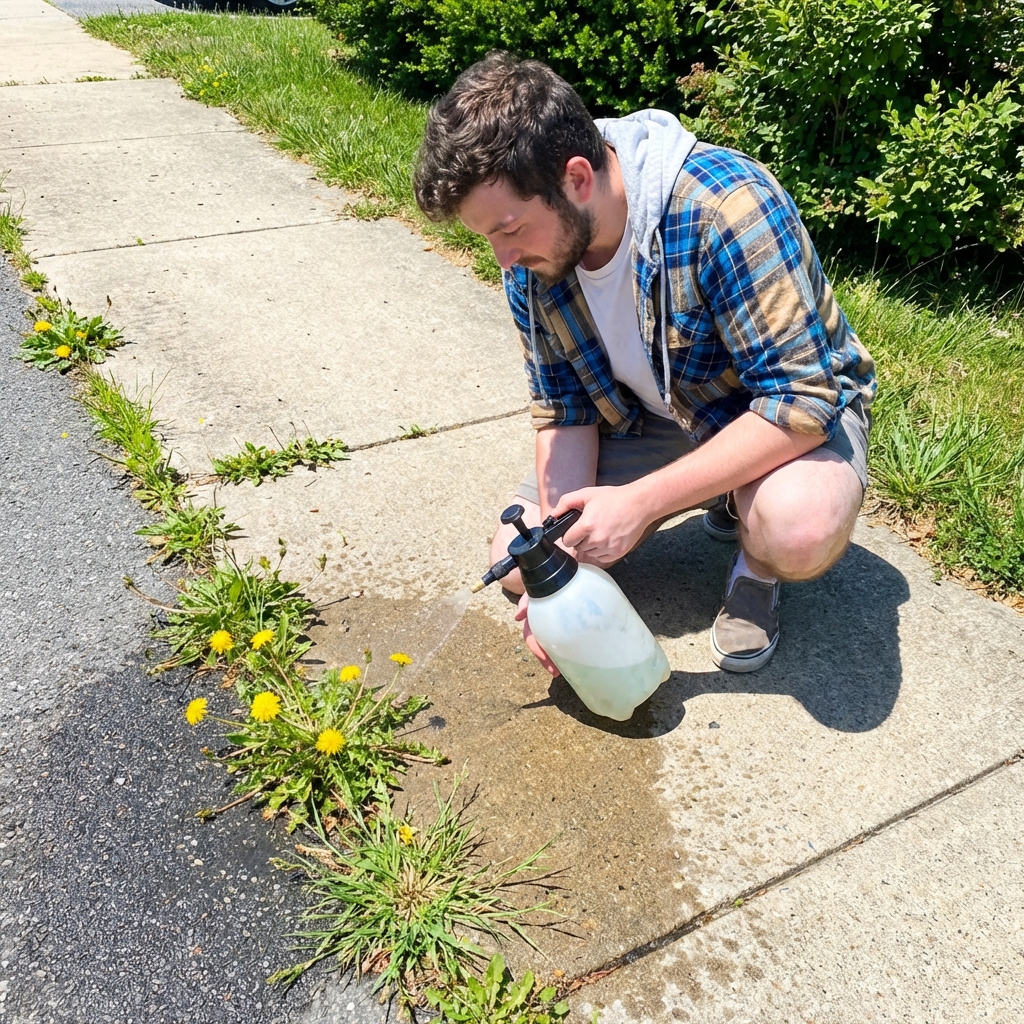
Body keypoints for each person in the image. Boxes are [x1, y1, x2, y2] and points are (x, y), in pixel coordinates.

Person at [413, 52, 876, 676]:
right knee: (522, 563)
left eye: (510, 229)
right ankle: (727, 490)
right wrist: (562, 580)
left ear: (577, 178)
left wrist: (641, 504)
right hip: (652, 414)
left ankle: (755, 560)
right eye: (488, 238)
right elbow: (565, 409)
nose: (503, 258)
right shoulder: (536, 258)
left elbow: (801, 403)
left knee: (796, 526)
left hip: (773, 412)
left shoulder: (726, 207)